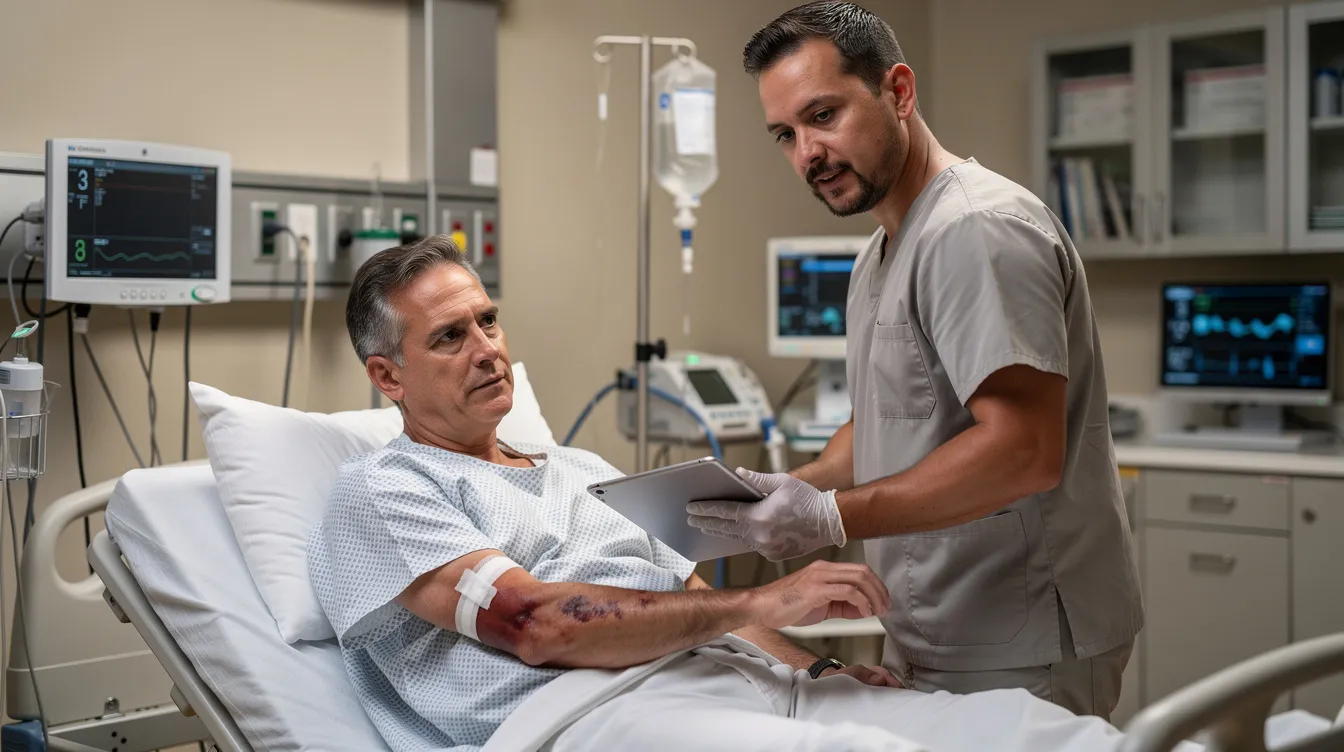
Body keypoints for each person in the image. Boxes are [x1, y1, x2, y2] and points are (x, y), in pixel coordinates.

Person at [306, 235, 1144, 752]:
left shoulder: (583, 471)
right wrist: (772, 602)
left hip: (727, 679)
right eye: (450, 337)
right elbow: (535, 624)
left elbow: (691, 595)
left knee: (1007, 732)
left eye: (488, 321)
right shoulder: (385, 491)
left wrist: (818, 670)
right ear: (388, 376)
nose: (487, 348)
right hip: (584, 715)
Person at [686, 1, 1144, 720]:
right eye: (786, 133)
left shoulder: (977, 231)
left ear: (898, 92)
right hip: (936, 629)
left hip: (1019, 641)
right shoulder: (882, 249)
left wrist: (830, 516)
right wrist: (791, 489)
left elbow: (1023, 450)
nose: (807, 152)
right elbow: (888, 420)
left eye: (824, 115)